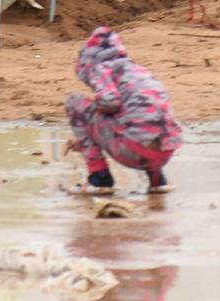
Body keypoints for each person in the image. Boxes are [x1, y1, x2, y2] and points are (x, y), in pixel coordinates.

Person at [65, 26, 182, 192]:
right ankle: (157, 180)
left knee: (74, 102)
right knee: (145, 119)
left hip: (133, 150)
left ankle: (99, 178)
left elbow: (109, 102)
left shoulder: (100, 68)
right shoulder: (138, 71)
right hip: (165, 152)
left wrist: (90, 133)